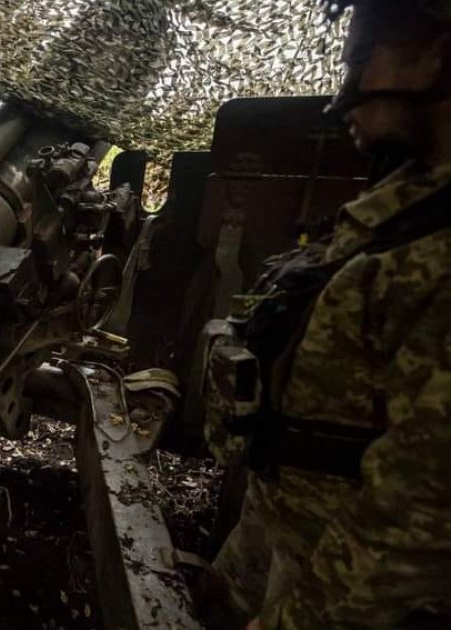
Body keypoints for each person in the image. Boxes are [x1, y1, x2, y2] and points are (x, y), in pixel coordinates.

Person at [204, 1, 451, 628]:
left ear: (440, 56)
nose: (346, 90)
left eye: (364, 54)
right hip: (287, 520)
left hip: (339, 579)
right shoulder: (408, 201)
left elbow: (419, 525)